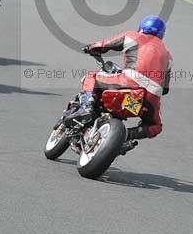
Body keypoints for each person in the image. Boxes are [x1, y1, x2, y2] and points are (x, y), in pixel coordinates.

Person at [69, 16, 172, 149]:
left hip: (128, 81)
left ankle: (87, 107)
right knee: (155, 126)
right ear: (161, 34)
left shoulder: (132, 36)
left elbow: (106, 44)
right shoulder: (168, 56)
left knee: (91, 76)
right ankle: (126, 135)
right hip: (150, 96)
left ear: (141, 28)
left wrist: (91, 47)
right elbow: (165, 89)